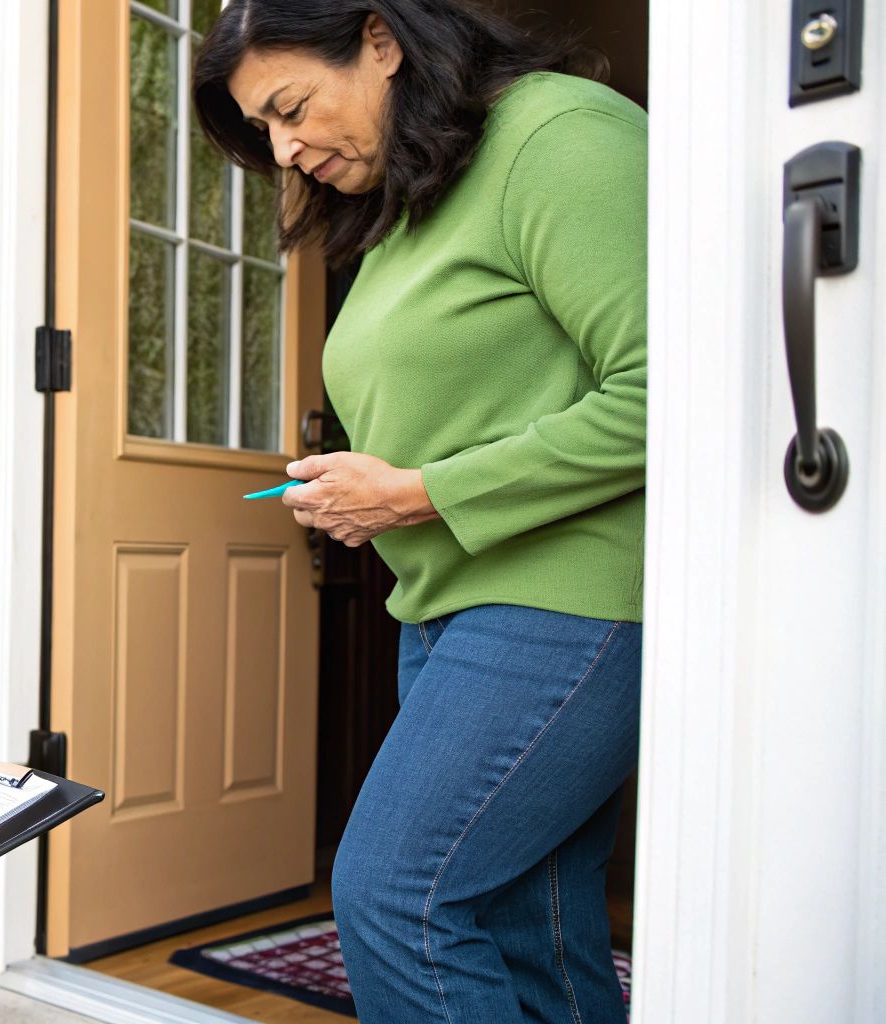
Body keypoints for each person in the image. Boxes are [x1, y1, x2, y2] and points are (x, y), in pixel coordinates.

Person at [193, 2, 646, 1021]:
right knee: (533, 928)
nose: (285, 147)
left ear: (380, 41)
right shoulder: (409, 206)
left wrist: (412, 492)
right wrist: (376, 499)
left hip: (562, 601)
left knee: (395, 894)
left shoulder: (557, 138)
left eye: (291, 106)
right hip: (445, 609)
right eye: (263, 128)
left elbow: (669, 391)